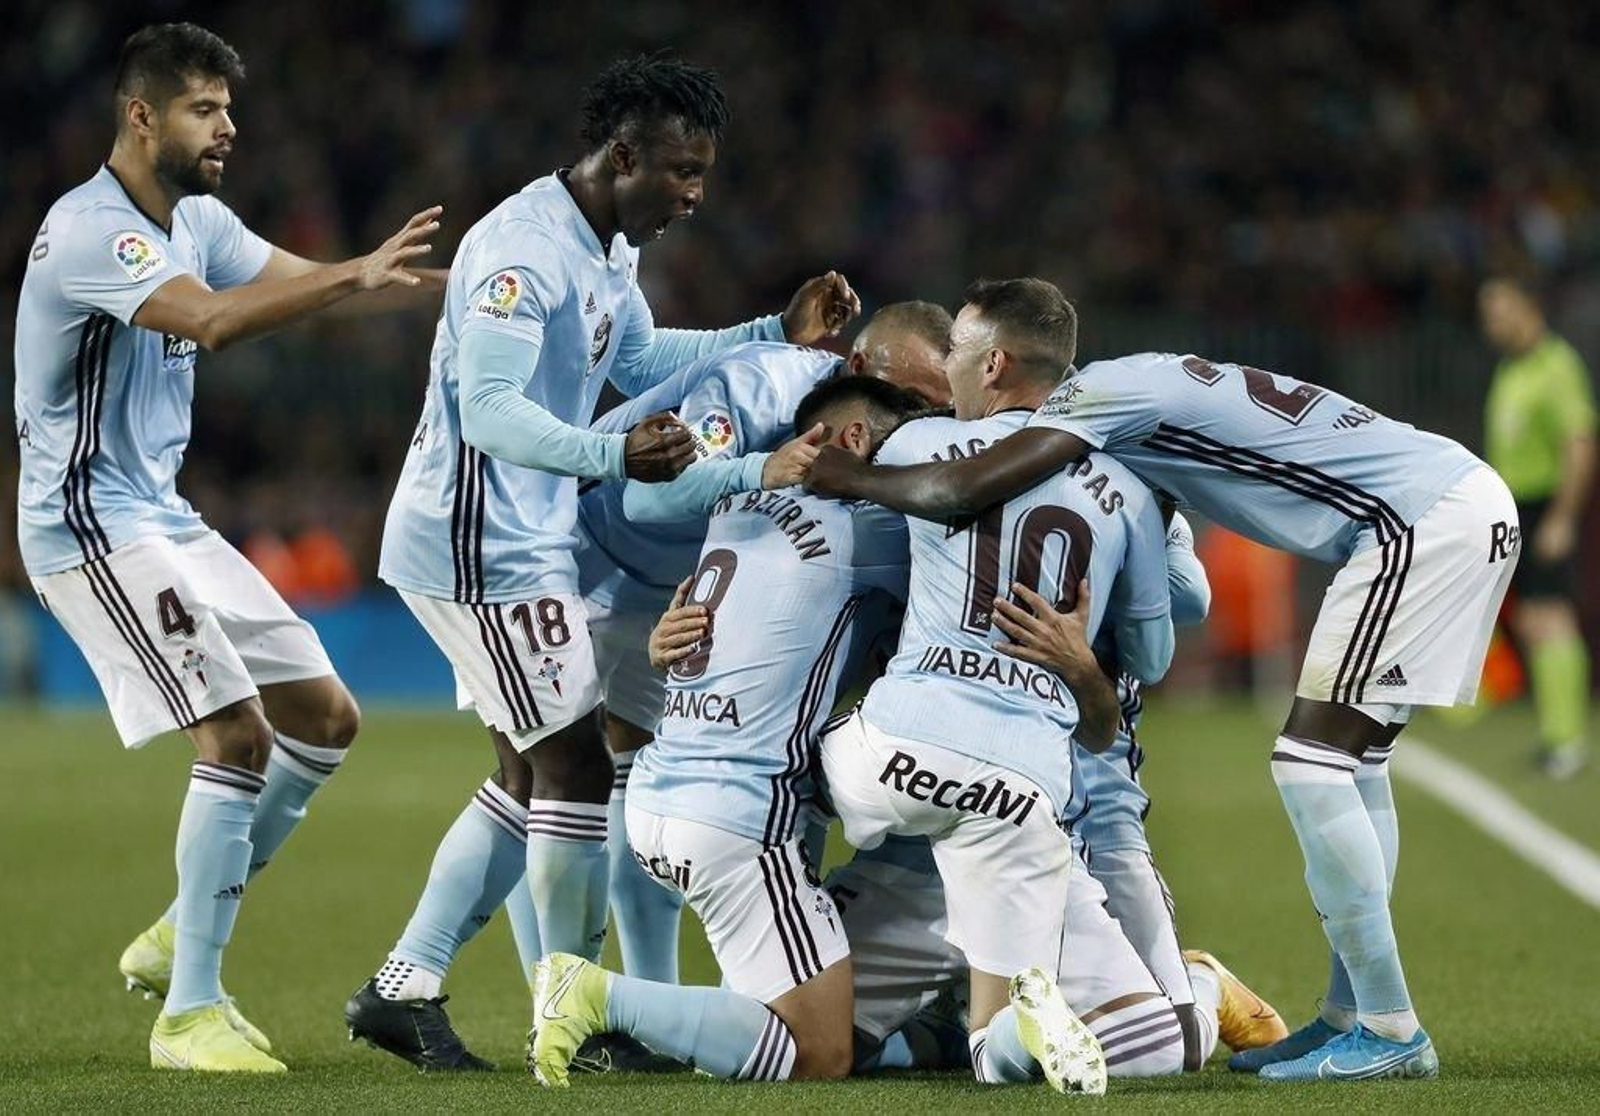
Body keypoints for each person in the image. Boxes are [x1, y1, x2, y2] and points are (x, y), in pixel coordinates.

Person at [806, 281, 1520, 1083]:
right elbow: (1179, 592)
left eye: (957, 362)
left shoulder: (1093, 403)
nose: (950, 387)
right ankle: (1351, 1012)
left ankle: (1390, 1029)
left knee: (1312, 766)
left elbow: (964, 491)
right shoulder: (1135, 389)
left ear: (996, 363)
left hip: (1415, 519)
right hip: (1440, 502)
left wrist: (850, 478)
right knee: (1353, 769)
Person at [346, 53, 861, 1071]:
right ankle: (579, 1013)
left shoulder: (601, 246)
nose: (694, 194)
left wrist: (770, 331)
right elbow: (488, 412)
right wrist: (611, 451)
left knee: (531, 768)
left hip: (524, 536)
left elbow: (633, 360)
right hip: (475, 546)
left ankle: (407, 984)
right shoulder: (521, 253)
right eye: (681, 171)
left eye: (703, 174)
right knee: (576, 765)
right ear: (623, 154)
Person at [13, 22, 442, 1073]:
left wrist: (415, 286)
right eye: (204, 108)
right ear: (140, 114)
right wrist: (348, 277)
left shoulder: (197, 217)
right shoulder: (91, 232)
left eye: (228, 107)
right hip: (87, 525)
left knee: (325, 719)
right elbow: (211, 321)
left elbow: (300, 277)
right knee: (237, 737)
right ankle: (188, 1012)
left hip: (159, 512)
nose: (227, 125)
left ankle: (176, 932)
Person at [497, 305, 948, 1075]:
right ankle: (601, 997)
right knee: (817, 1051)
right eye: (907, 427)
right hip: (742, 818)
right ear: (850, 438)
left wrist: (662, 637)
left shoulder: (735, 504)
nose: (924, 445)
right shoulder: (874, 529)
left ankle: (678, 1013)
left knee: (773, 1018)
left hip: (661, 796)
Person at [817, 279, 1175, 1094]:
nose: (948, 371)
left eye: (958, 355)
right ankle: (1009, 1024)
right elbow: (1151, 656)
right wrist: (1085, 654)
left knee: (783, 773)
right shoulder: (1131, 495)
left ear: (997, 364)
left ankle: (794, 934)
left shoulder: (913, 446)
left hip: (890, 753)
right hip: (1021, 787)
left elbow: (849, 554)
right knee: (1039, 1043)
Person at [1480, 277, 1596, 778]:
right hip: (1518, 509)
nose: (1492, 323)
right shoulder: (1511, 369)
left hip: (1545, 505)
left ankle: (1568, 740)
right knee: (1531, 620)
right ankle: (1554, 734)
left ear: (1528, 306)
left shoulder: (1557, 365)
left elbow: (1580, 443)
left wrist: (1563, 517)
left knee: (1553, 618)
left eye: (1500, 310)